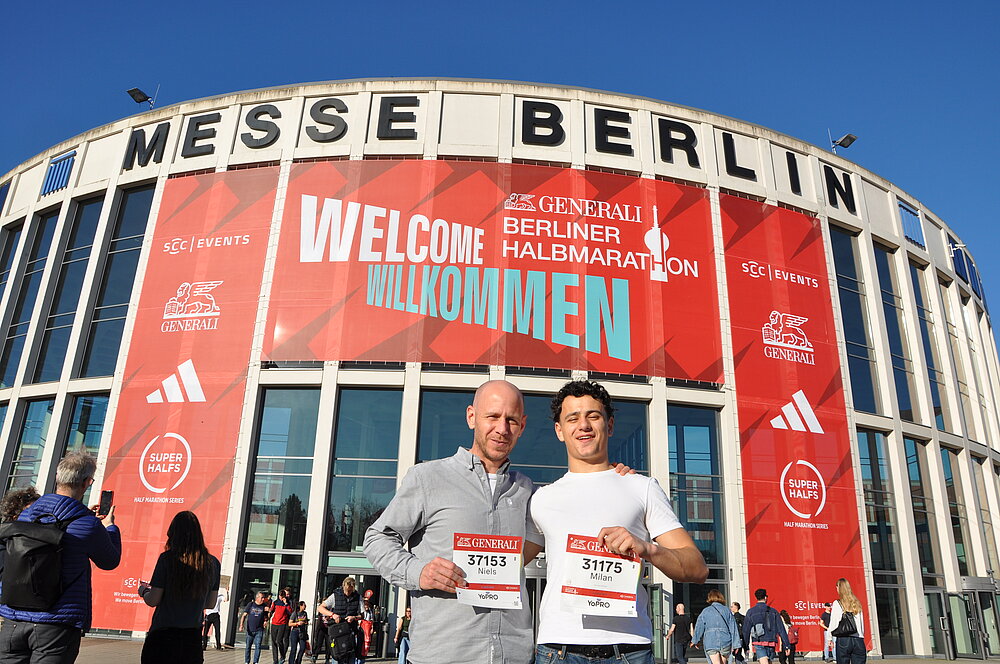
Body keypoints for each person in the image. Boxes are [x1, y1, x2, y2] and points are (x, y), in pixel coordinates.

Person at [525, 380, 708, 664]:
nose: (583, 425)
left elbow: (697, 568)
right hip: (557, 651)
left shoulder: (642, 487)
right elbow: (507, 562)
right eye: (572, 418)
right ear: (560, 431)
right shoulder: (541, 499)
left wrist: (646, 548)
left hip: (629, 651)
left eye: (593, 416)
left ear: (609, 426)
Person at [0, 451, 122, 663]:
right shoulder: (88, 524)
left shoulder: (26, 515)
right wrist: (109, 528)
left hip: (13, 618)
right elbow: (110, 561)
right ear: (87, 482)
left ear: (57, 478)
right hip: (57, 623)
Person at [138, 511, 222, 664]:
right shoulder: (213, 563)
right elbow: (210, 603)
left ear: (173, 534)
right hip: (192, 639)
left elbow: (153, 599)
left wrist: (143, 591)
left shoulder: (167, 559)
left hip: (163, 636)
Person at [318, 577, 362, 664]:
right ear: (343, 587)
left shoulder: (358, 597)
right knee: (337, 656)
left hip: (350, 632)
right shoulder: (335, 595)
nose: (348, 593)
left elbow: (363, 615)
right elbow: (320, 608)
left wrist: (354, 617)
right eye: (346, 590)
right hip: (337, 632)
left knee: (351, 656)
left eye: (350, 591)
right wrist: (332, 615)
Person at [693, 590, 742, 664]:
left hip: (710, 641)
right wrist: (736, 644)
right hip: (725, 640)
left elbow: (699, 627)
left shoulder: (705, 611)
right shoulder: (727, 610)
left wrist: (695, 640)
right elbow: (733, 628)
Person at [742, 589, 789, 664]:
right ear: (765, 597)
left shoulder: (751, 612)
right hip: (771, 641)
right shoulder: (774, 611)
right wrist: (787, 645)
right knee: (768, 661)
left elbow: (746, 630)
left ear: (756, 598)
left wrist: (745, 646)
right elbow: (781, 629)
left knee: (764, 660)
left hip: (758, 641)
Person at [829, 579, 866, 664]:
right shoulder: (857, 603)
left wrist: (829, 638)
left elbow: (834, 622)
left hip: (844, 639)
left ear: (839, 588)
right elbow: (861, 623)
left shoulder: (838, 603)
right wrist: (861, 635)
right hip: (858, 639)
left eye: (837, 587)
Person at [240, 592, 269, 664]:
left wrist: (268, 614)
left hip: (259, 630)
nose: (263, 599)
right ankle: (247, 661)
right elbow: (244, 615)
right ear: (257, 598)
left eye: (263, 598)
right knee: (248, 647)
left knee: (258, 646)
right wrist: (241, 625)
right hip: (250, 629)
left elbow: (266, 617)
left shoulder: (264, 606)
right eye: (262, 598)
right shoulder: (251, 604)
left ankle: (255, 662)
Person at [270, 588, 292, 664]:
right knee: (274, 642)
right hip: (274, 623)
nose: (281, 597)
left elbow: (290, 613)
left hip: (282, 624)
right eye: (280, 595)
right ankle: (275, 660)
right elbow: (271, 611)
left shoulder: (287, 603)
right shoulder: (275, 602)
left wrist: (286, 604)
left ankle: (282, 656)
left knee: (279, 640)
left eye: (283, 596)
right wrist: (267, 618)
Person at [203, 586, 229, 650]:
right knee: (205, 631)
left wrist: (227, 592)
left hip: (215, 615)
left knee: (217, 631)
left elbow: (226, 599)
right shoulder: (207, 596)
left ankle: (218, 646)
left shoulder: (219, 597)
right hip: (208, 614)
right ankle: (204, 645)